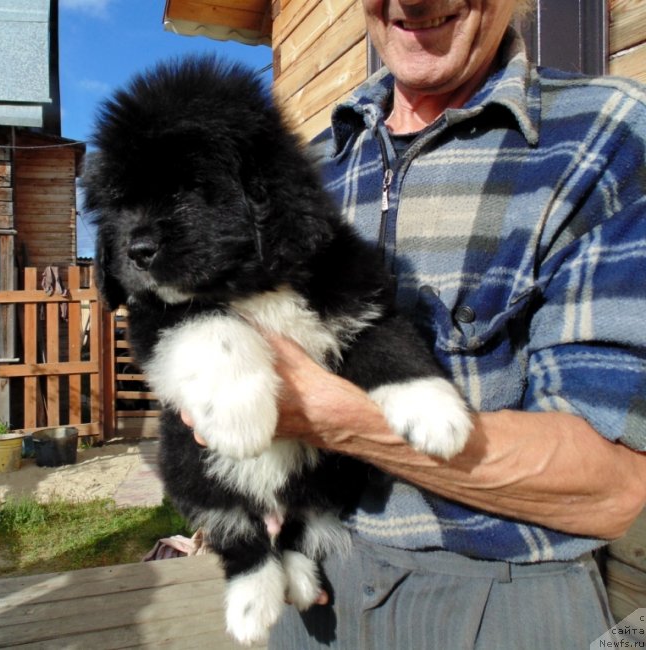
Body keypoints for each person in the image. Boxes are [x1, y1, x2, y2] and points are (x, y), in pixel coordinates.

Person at [255, 0, 646, 647]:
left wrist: (330, 415)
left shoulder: (600, 137)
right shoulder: (315, 163)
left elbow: (611, 485)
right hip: (309, 589)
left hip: (497, 602)